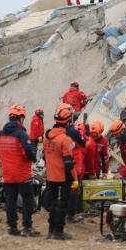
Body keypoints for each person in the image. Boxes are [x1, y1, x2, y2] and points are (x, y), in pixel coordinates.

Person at [0, 105, 40, 236]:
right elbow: (28, 151)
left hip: (8, 175)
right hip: (23, 174)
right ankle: (27, 227)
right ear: (21, 118)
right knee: (28, 199)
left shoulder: (0, 134)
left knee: (10, 200)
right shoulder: (21, 134)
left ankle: (11, 227)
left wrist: (3, 153)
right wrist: (32, 158)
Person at [42, 103, 78, 240]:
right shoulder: (65, 139)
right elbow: (69, 162)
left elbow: (45, 157)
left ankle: (51, 230)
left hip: (51, 176)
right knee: (62, 204)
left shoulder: (47, 138)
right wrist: (75, 179)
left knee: (53, 204)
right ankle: (58, 231)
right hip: (63, 177)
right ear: (68, 121)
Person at [66, 122, 88, 223]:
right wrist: (87, 133)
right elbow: (86, 143)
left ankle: (68, 213)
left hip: (68, 168)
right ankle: (71, 214)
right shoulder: (74, 140)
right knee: (74, 191)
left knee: (68, 191)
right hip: (74, 169)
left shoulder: (65, 138)